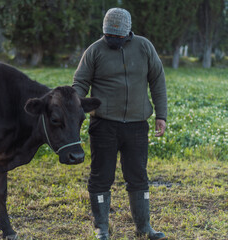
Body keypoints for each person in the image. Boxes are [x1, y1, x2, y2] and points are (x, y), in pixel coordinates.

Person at [72, 8, 167, 240]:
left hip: (136, 125)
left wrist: (161, 115)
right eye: (109, 37)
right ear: (104, 33)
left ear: (128, 33)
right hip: (104, 125)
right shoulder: (94, 51)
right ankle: (101, 228)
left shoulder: (144, 47)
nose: (113, 41)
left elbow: (157, 79)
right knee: (101, 176)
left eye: (118, 37)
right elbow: (80, 83)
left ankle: (144, 228)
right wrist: (72, 109)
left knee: (138, 175)